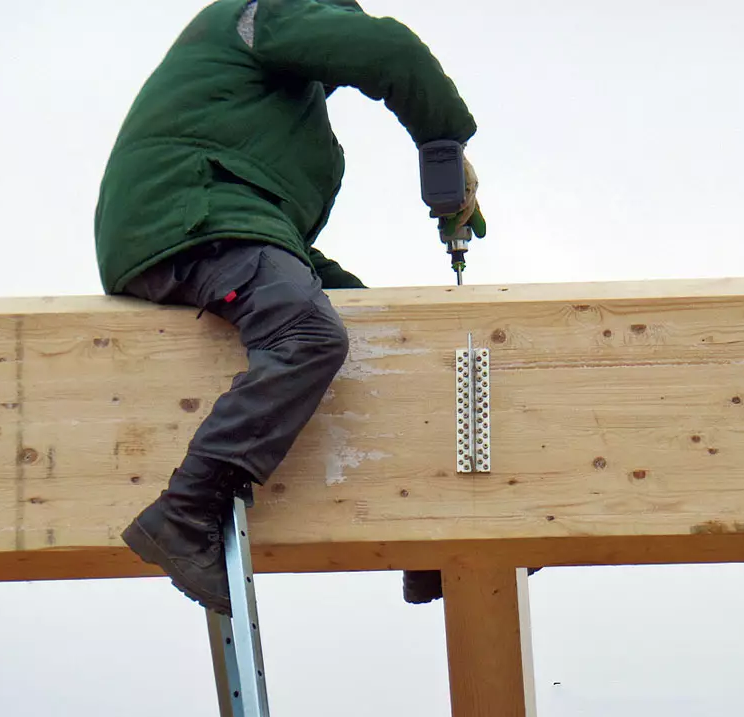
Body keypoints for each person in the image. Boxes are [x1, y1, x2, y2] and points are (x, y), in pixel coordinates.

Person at [94, 0, 485, 615]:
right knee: (306, 334)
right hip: (190, 213)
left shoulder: (281, 102)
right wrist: (443, 143)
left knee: (386, 331)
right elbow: (391, 52)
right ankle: (186, 510)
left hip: (235, 222)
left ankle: (426, 531)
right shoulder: (265, 11)